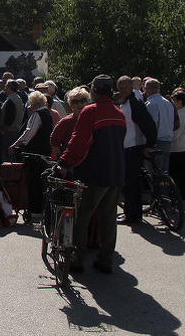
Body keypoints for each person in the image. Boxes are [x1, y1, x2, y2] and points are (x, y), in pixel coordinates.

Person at [57, 75, 126, 275]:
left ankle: (77, 260)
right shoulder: (118, 112)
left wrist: (64, 161)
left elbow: (79, 141)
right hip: (115, 171)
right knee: (108, 217)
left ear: (94, 91)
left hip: (94, 172)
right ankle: (105, 260)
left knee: (82, 216)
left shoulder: (91, 112)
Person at [116, 76, 157, 224]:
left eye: (125, 87)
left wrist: (150, 144)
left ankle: (132, 215)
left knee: (130, 183)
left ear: (131, 87)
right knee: (129, 183)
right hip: (128, 147)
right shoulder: (126, 103)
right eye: (120, 88)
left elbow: (148, 124)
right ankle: (131, 212)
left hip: (133, 147)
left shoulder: (134, 103)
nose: (123, 90)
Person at [9, 90, 53, 218]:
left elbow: (28, 134)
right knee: (39, 183)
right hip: (44, 152)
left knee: (33, 183)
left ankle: (34, 210)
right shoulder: (47, 114)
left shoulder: (37, 114)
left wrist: (15, 145)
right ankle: (38, 210)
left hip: (34, 154)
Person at [50, 87, 92, 160]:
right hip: (70, 164)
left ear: (88, 102)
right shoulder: (66, 122)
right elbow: (54, 142)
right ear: (70, 104)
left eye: (82, 100)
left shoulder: (93, 120)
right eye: (75, 102)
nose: (79, 104)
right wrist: (65, 155)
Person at [144, 78, 175, 172]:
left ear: (145, 89)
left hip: (157, 143)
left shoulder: (151, 104)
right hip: (168, 141)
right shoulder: (168, 103)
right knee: (164, 172)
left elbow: (151, 126)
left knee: (155, 174)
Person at [0, 80, 25, 162]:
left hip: (9, 132)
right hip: (16, 130)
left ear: (10, 87)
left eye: (6, 86)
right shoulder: (18, 98)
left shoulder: (11, 100)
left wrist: (4, 130)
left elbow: (9, 118)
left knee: (8, 157)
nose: (5, 88)